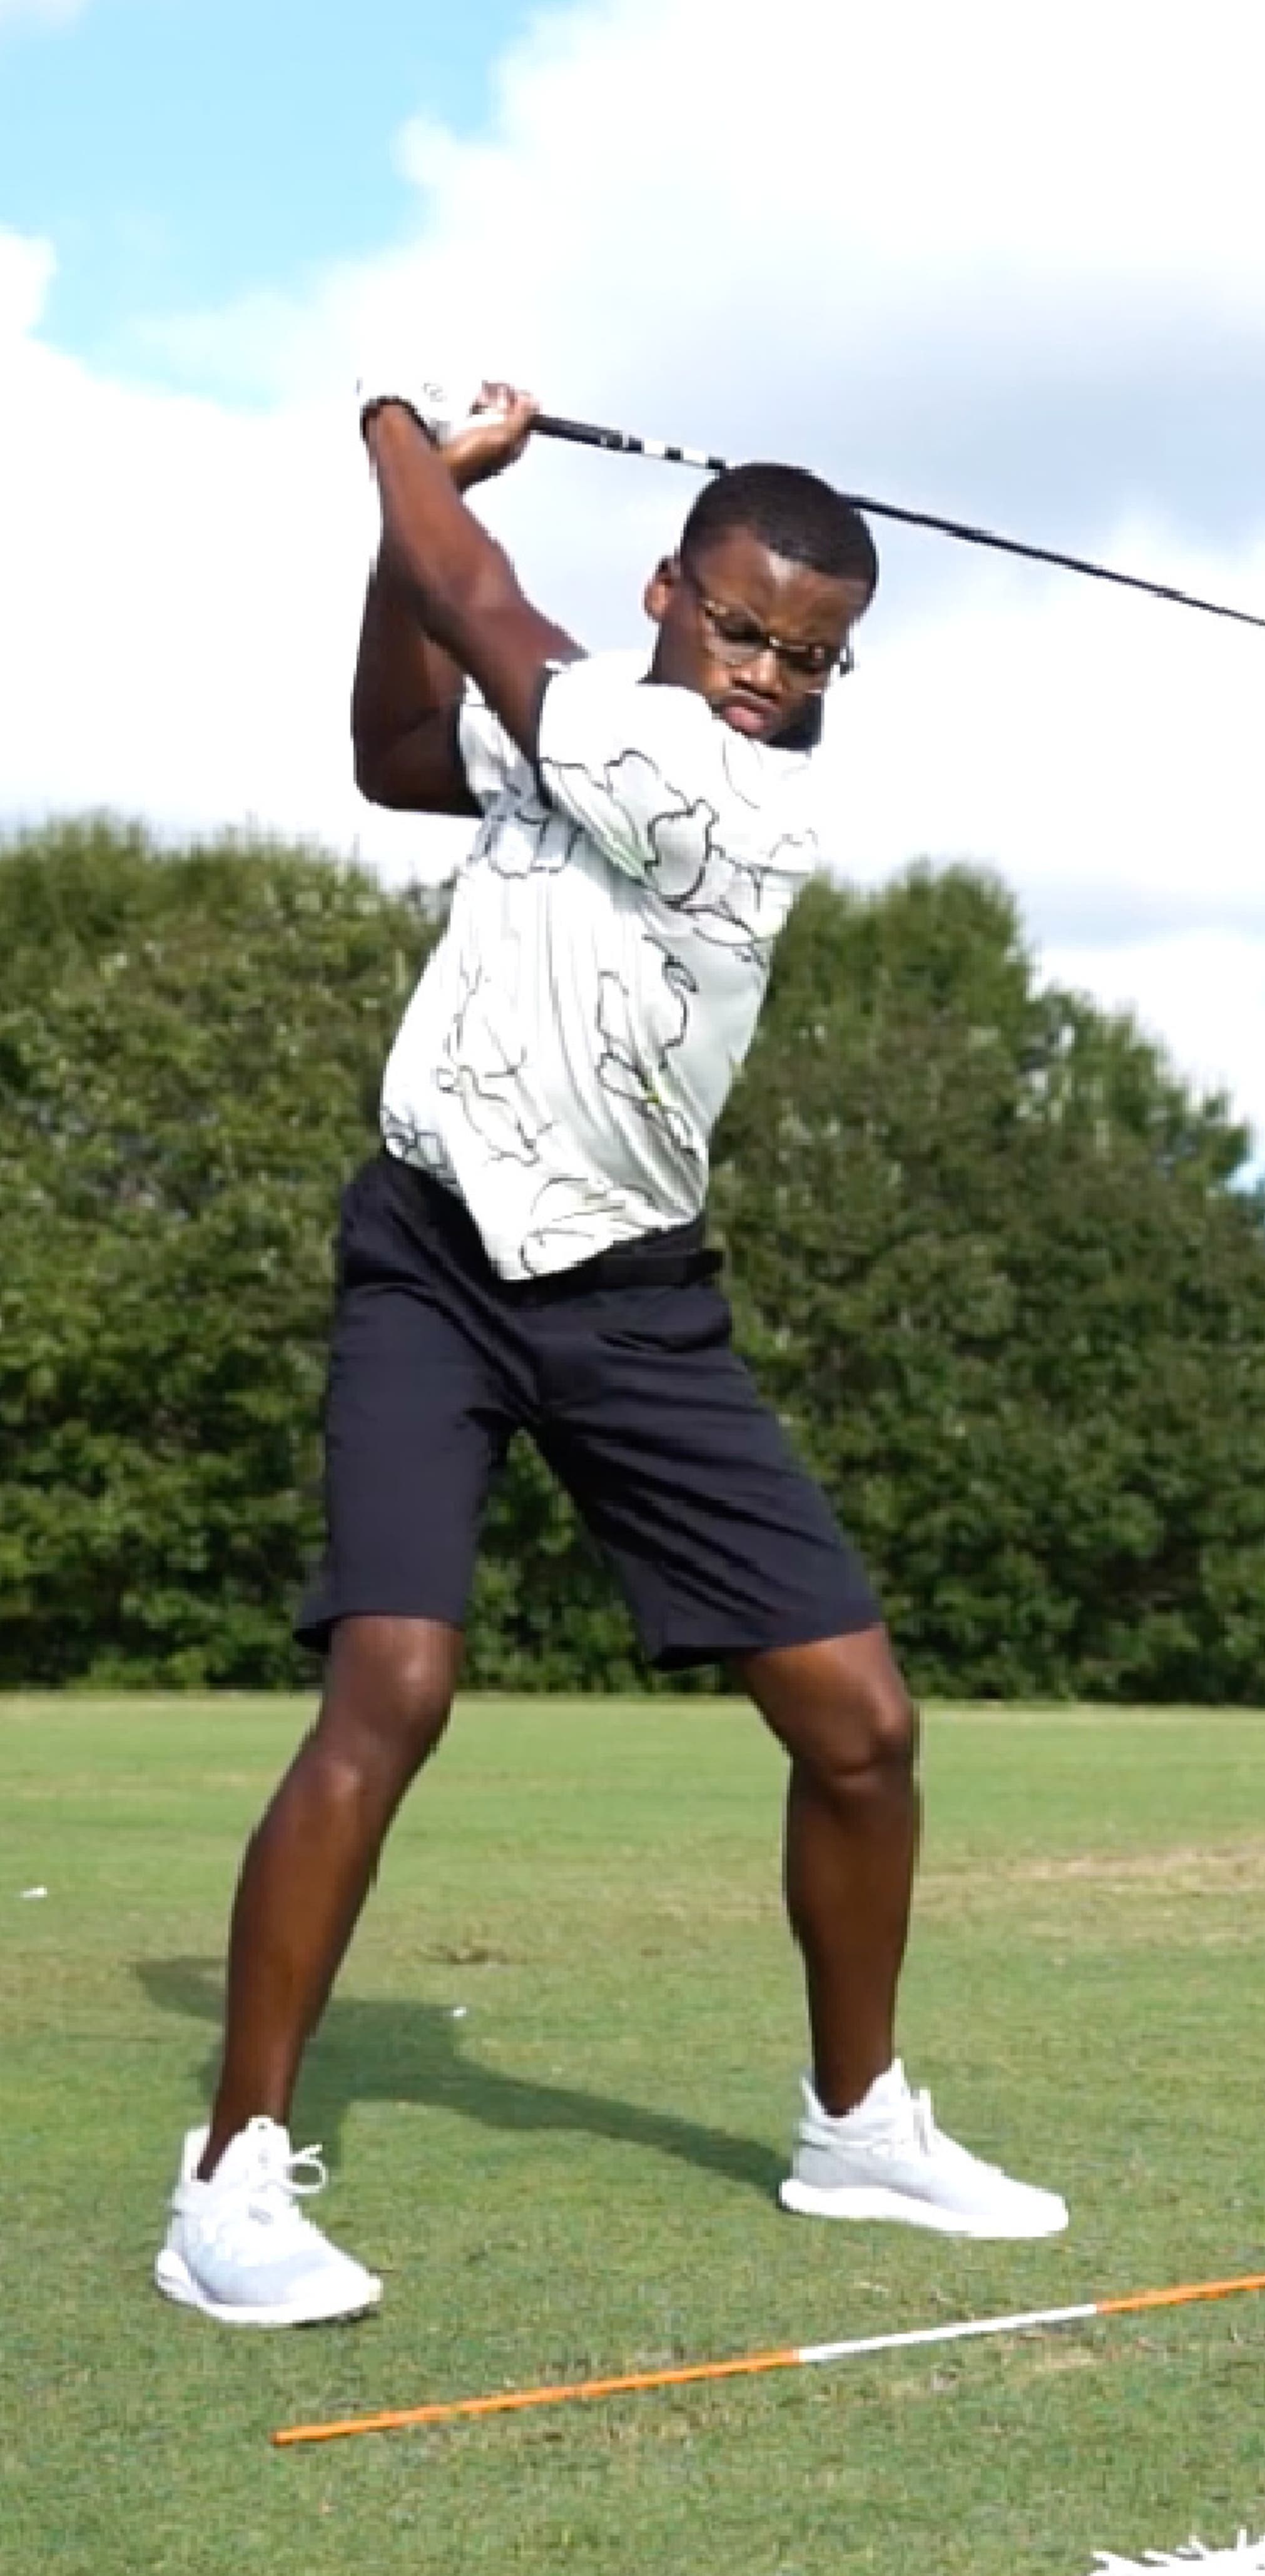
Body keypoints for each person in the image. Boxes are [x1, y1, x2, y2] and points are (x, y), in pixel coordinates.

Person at [155, 378, 1066, 2328]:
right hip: (433, 1258)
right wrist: (401, 551)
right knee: (390, 1686)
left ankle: (857, 2124)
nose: (765, 675)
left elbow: (479, 593)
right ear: (670, 587)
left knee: (866, 1731)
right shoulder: (589, 747)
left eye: (810, 655)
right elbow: (403, 739)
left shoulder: (721, 792)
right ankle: (230, 2171)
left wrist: (405, 438)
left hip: (634, 1301)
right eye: (739, 628)